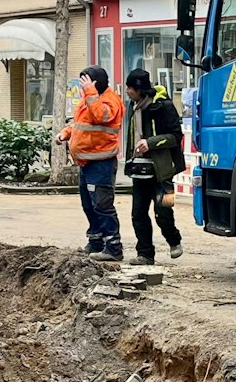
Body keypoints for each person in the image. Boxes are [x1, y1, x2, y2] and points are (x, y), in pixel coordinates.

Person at [58, 66, 125, 261]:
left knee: (102, 205)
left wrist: (90, 93)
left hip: (101, 163)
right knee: (88, 204)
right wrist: (66, 133)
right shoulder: (89, 99)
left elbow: (101, 116)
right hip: (86, 162)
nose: (82, 87)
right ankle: (96, 240)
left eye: (85, 83)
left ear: (94, 83)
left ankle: (113, 247)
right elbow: (81, 123)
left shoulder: (110, 100)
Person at [123, 69, 185, 265]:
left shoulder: (164, 107)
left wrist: (150, 143)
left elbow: (176, 136)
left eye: (130, 88)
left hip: (163, 170)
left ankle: (174, 240)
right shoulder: (134, 108)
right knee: (138, 213)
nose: (127, 91)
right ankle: (145, 254)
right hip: (140, 169)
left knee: (164, 210)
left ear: (139, 89)